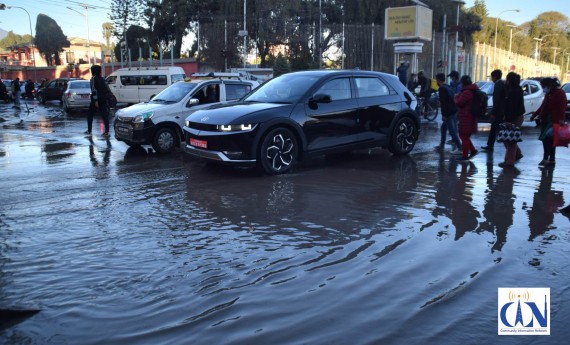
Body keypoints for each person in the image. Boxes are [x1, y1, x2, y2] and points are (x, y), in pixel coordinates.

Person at [530, 77, 567, 167]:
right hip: (545, 120)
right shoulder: (548, 94)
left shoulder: (560, 93)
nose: (543, 89)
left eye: (544, 86)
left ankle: (546, 158)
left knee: (547, 138)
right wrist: (534, 115)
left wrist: (561, 120)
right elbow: (543, 106)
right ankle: (551, 159)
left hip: (555, 120)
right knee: (549, 140)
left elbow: (562, 107)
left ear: (550, 85)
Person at [499, 72, 525, 168]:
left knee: (510, 141)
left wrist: (509, 120)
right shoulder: (517, 90)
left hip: (513, 118)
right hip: (516, 117)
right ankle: (510, 159)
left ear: (509, 80)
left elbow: (512, 107)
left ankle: (509, 161)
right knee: (510, 140)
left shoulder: (513, 92)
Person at [454, 75, 479, 162]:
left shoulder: (467, 92)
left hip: (466, 116)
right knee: (465, 136)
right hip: (468, 116)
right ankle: (472, 151)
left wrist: (456, 97)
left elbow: (459, 102)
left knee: (463, 135)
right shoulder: (471, 90)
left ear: (463, 83)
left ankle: (465, 156)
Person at [434, 73, 461, 152]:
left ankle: (460, 147)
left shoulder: (442, 88)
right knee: (443, 128)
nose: (436, 81)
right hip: (453, 110)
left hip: (448, 112)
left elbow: (444, 103)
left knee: (452, 131)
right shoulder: (448, 87)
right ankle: (442, 145)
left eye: (436, 80)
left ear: (438, 80)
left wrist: (444, 115)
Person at [482, 69, 506, 151]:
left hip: (498, 111)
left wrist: (494, 112)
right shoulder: (501, 83)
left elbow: (497, 100)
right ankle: (490, 145)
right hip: (501, 111)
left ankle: (490, 146)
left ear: (495, 77)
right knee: (497, 129)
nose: (491, 79)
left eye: (492, 77)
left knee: (497, 129)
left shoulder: (498, 85)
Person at [86, 65, 111, 137]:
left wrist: (95, 100)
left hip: (96, 100)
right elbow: (107, 89)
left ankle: (89, 130)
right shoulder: (102, 79)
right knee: (104, 115)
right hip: (103, 99)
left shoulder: (93, 79)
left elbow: (94, 90)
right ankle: (107, 131)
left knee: (90, 115)